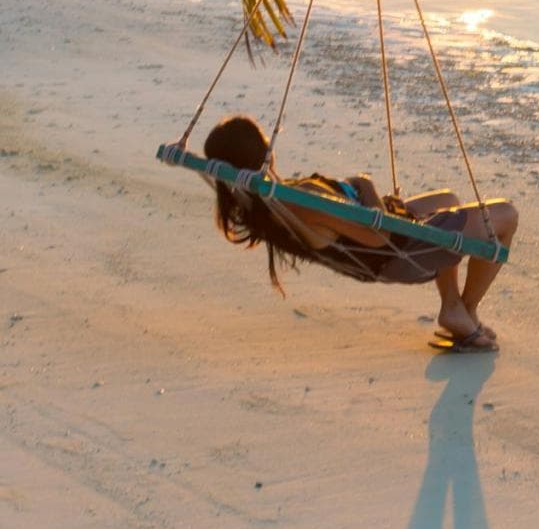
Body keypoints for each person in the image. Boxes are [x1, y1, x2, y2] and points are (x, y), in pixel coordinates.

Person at [202, 114, 519, 353]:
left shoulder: (267, 203)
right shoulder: (303, 201)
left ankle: (453, 308)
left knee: (447, 200)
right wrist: (364, 182)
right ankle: (469, 309)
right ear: (263, 150)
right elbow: (377, 235)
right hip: (399, 252)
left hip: (381, 250)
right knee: (505, 216)